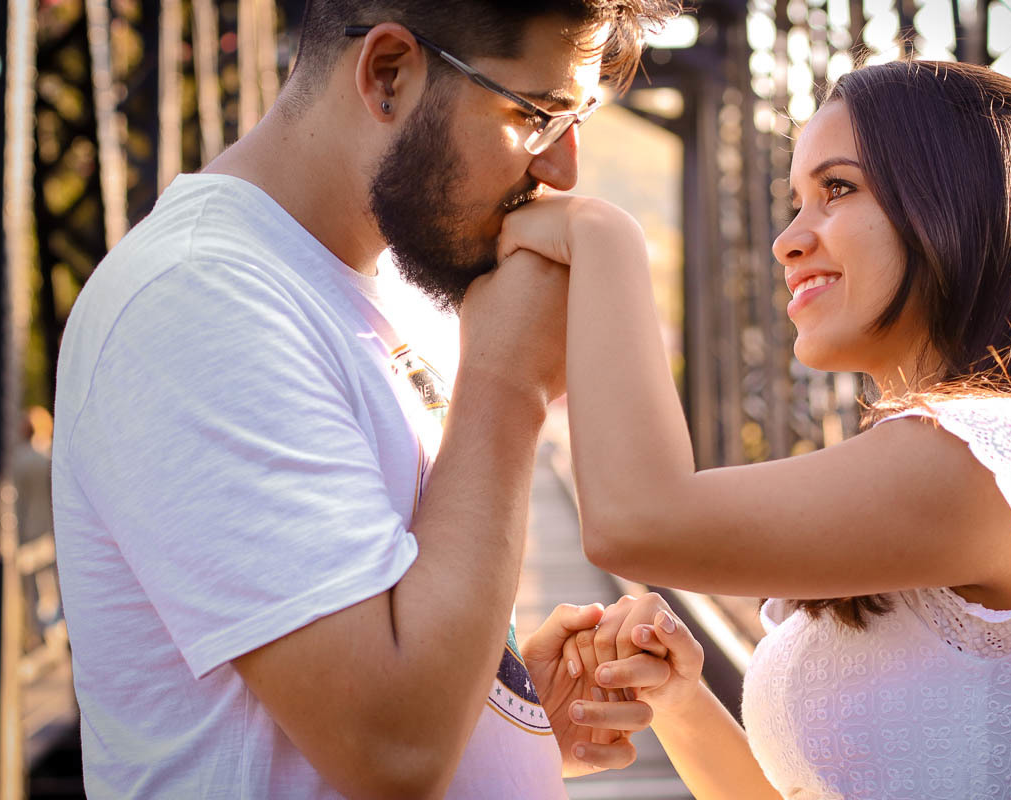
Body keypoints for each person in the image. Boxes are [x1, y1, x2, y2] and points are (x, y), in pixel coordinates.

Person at [493, 59, 1011, 798]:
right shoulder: (970, 465)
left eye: (837, 189)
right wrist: (678, 702)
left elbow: (636, 520)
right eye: (795, 200)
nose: (788, 240)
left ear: (955, 205)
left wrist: (603, 237)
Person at [50, 1, 679, 797]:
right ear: (389, 75)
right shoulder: (197, 299)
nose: (562, 169)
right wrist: (507, 387)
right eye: (539, 117)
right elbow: (391, 749)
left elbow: (393, 639)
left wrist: (501, 699)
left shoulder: (392, 294)